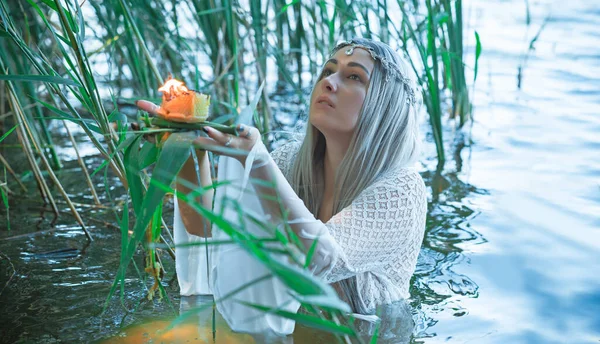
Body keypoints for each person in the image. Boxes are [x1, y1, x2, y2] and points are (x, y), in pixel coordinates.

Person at [137, 38, 427, 317]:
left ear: (384, 106)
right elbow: (209, 226)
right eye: (328, 71)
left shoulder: (402, 190)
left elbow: (319, 258)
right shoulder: (290, 162)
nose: (329, 82)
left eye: (353, 77)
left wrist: (257, 159)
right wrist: (187, 144)